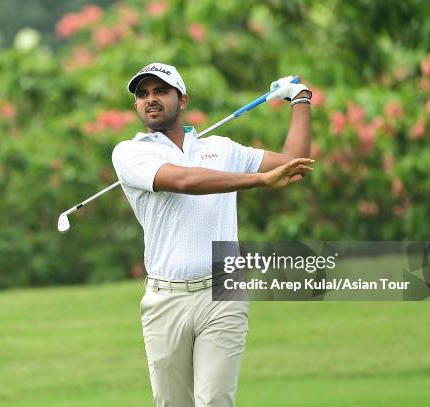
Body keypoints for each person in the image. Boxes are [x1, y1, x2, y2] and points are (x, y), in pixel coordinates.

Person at [111, 62, 313, 407]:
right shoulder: (130, 153)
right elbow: (185, 181)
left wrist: (300, 98)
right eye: (143, 94)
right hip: (165, 299)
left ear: (182, 99)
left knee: (216, 401)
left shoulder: (222, 149)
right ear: (136, 106)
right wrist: (259, 181)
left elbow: (293, 163)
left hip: (223, 291)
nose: (151, 99)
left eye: (161, 91)